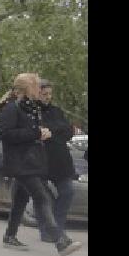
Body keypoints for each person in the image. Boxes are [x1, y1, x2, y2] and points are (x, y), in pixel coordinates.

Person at [0, 73, 82, 256]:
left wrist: (38, 133)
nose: (39, 89)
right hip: (21, 162)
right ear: (27, 88)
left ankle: (9, 236)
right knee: (43, 198)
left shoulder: (30, 108)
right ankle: (60, 240)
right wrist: (36, 133)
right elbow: (6, 135)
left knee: (20, 199)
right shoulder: (11, 108)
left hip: (32, 160)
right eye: (36, 86)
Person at [37, 79, 76, 244]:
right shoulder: (33, 112)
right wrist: (55, 131)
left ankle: (58, 228)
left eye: (50, 94)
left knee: (67, 192)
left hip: (61, 160)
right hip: (42, 160)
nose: (48, 97)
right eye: (44, 94)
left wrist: (52, 132)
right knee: (44, 198)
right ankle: (46, 231)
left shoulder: (56, 110)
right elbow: (40, 132)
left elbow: (68, 132)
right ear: (36, 93)